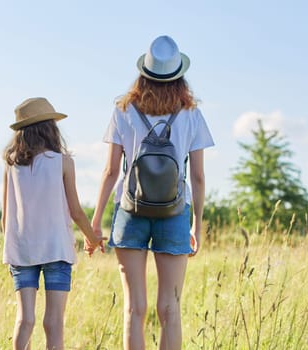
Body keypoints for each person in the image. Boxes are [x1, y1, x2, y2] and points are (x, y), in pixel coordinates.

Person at [89, 35, 214, 349]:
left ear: (143, 73)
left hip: (129, 210)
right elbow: (197, 177)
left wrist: (95, 222)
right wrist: (197, 223)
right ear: (179, 76)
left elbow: (110, 172)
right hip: (175, 212)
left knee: (134, 308)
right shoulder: (191, 115)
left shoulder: (123, 111)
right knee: (170, 308)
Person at [2, 97, 105, 350]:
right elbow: (76, 211)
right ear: (51, 128)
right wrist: (92, 239)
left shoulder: (11, 164)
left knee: (25, 319)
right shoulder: (62, 162)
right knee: (54, 322)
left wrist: (12, 251)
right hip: (57, 249)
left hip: (22, 251)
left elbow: (6, 217)